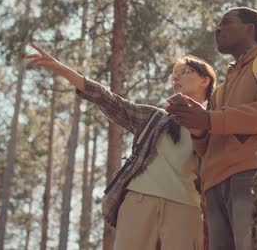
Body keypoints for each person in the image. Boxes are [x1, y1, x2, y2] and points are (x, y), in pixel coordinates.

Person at [25, 43, 216, 250]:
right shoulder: (153, 117)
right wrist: (61, 68)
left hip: (186, 208)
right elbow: (106, 98)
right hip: (139, 202)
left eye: (185, 72)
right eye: (174, 75)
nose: (176, 78)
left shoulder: (216, 123)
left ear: (205, 80)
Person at [166, 7, 257, 250]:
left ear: (249, 29)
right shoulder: (220, 89)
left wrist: (209, 119)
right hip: (212, 188)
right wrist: (197, 127)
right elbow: (205, 147)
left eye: (226, 22)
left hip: (248, 175)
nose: (218, 29)